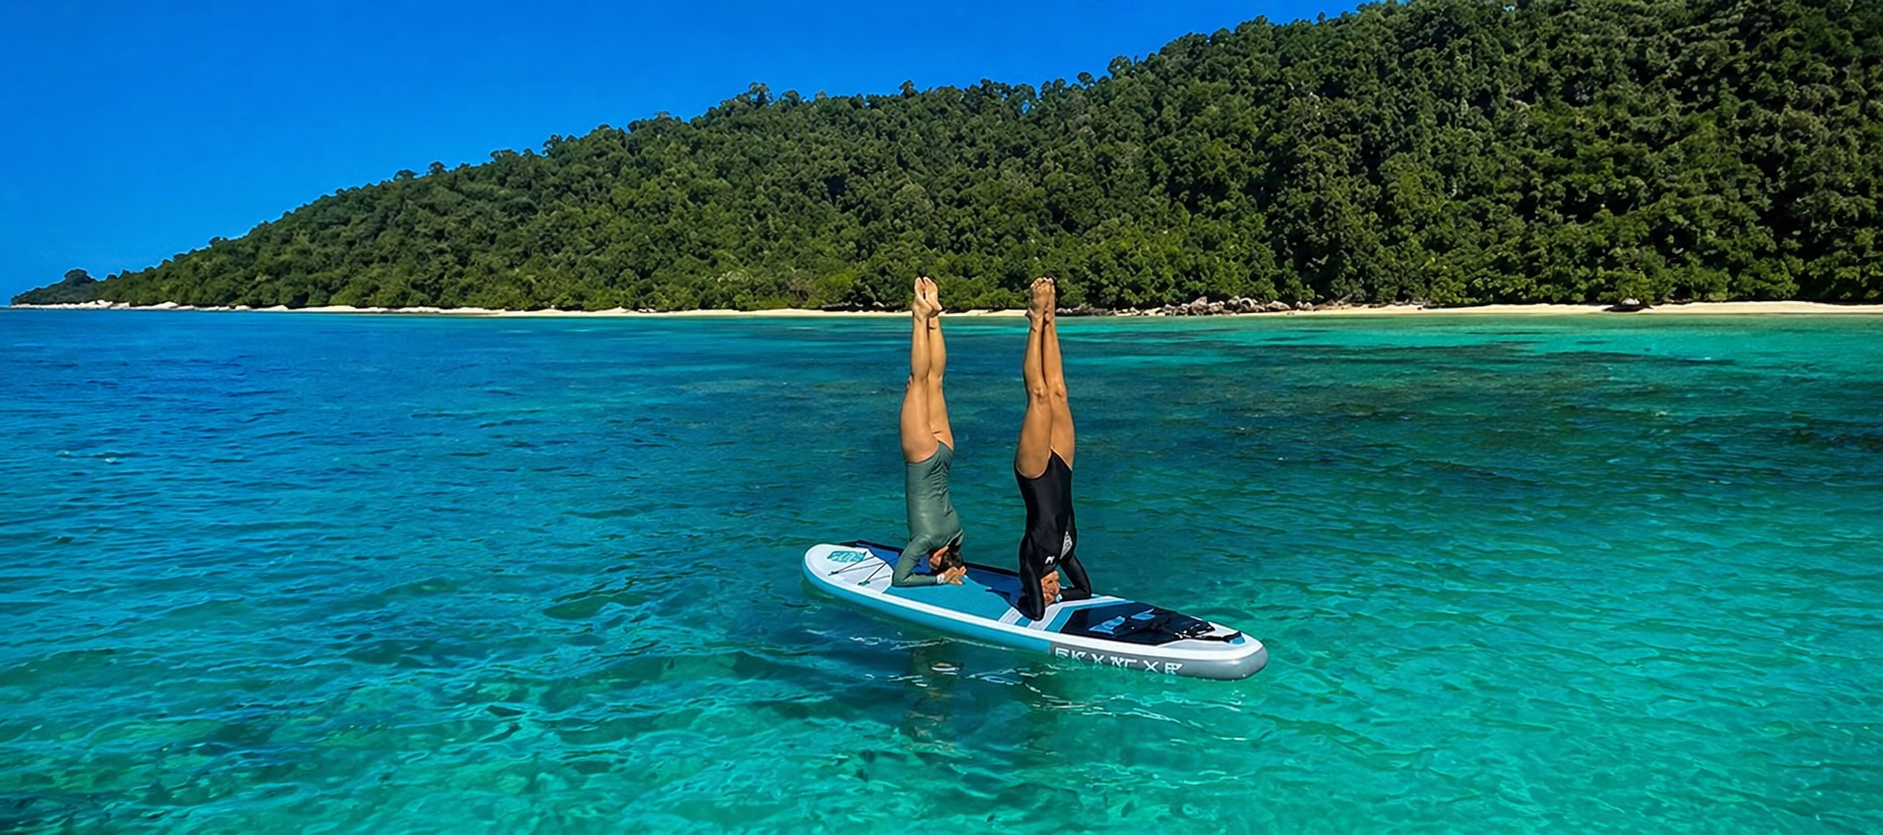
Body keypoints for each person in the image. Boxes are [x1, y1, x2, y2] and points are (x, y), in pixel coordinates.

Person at [1013, 277, 1093, 619]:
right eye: (1053, 590)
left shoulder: (1031, 561)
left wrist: (1043, 601)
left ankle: (1033, 322)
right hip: (1062, 467)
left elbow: (1033, 612)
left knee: (1040, 397)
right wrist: (1062, 598)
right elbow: (1085, 591)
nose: (1053, 589)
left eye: (1049, 590)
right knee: (1058, 391)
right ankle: (1050, 317)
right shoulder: (1064, 553)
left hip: (1033, 475)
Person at [894, 276, 968, 587]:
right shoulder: (924, 541)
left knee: (936, 381)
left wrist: (956, 566)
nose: (927, 562)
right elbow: (900, 579)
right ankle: (920, 315)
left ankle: (935, 316)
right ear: (937, 558)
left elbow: (954, 552)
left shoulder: (956, 532)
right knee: (918, 382)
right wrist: (938, 579)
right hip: (922, 458)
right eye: (932, 564)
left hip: (945, 453)